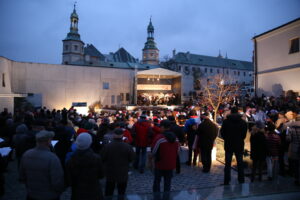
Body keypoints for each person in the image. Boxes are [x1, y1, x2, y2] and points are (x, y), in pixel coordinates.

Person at [19, 130, 64, 200]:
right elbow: (57, 182)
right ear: (48, 141)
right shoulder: (52, 158)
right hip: (49, 196)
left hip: (31, 194)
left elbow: (22, 177)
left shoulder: (26, 154)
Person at [66, 133, 104, 200]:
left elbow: (69, 180)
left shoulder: (70, 160)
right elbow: (101, 175)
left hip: (77, 193)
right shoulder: (96, 158)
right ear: (90, 143)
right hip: (94, 191)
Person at [101, 128, 135, 198]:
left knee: (109, 191)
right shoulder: (127, 146)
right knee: (121, 191)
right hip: (123, 172)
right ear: (122, 135)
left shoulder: (108, 146)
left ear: (113, 135)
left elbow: (102, 158)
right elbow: (132, 159)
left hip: (110, 171)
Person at [220, 107, 247, 185]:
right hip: (239, 144)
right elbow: (244, 135)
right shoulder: (243, 122)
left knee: (228, 164)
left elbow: (222, 133)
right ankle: (241, 179)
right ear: (238, 112)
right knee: (240, 163)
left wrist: (227, 138)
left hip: (229, 144)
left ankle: (226, 180)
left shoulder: (226, 122)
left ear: (231, 112)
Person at [151, 120, 180, 193]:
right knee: (168, 183)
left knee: (157, 182)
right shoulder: (176, 138)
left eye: (160, 127)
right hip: (171, 164)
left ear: (163, 127)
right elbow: (178, 151)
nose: (160, 128)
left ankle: (156, 197)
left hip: (160, 164)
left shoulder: (159, 138)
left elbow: (153, 151)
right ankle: (166, 196)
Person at [286, 114, 300, 185]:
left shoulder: (290, 127)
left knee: (296, 164)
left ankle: (297, 179)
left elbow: (288, 139)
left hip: (294, 148)